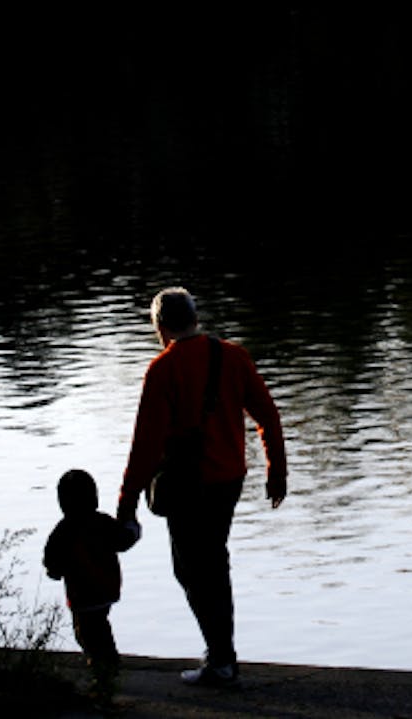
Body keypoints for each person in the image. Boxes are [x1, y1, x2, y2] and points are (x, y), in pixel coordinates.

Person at [116, 286, 287, 689]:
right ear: (195, 317)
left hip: (187, 484)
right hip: (229, 480)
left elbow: (146, 445)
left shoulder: (163, 369)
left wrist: (126, 504)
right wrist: (276, 470)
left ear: (160, 326)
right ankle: (221, 655)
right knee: (211, 563)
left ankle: (221, 660)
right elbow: (269, 416)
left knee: (194, 569)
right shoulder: (233, 356)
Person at [43, 468, 142, 699]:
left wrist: (53, 571)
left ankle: (104, 669)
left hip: (81, 593)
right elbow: (124, 540)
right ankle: (105, 664)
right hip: (106, 588)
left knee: (87, 632)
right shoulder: (103, 522)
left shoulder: (63, 530)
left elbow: (52, 559)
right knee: (99, 625)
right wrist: (133, 528)